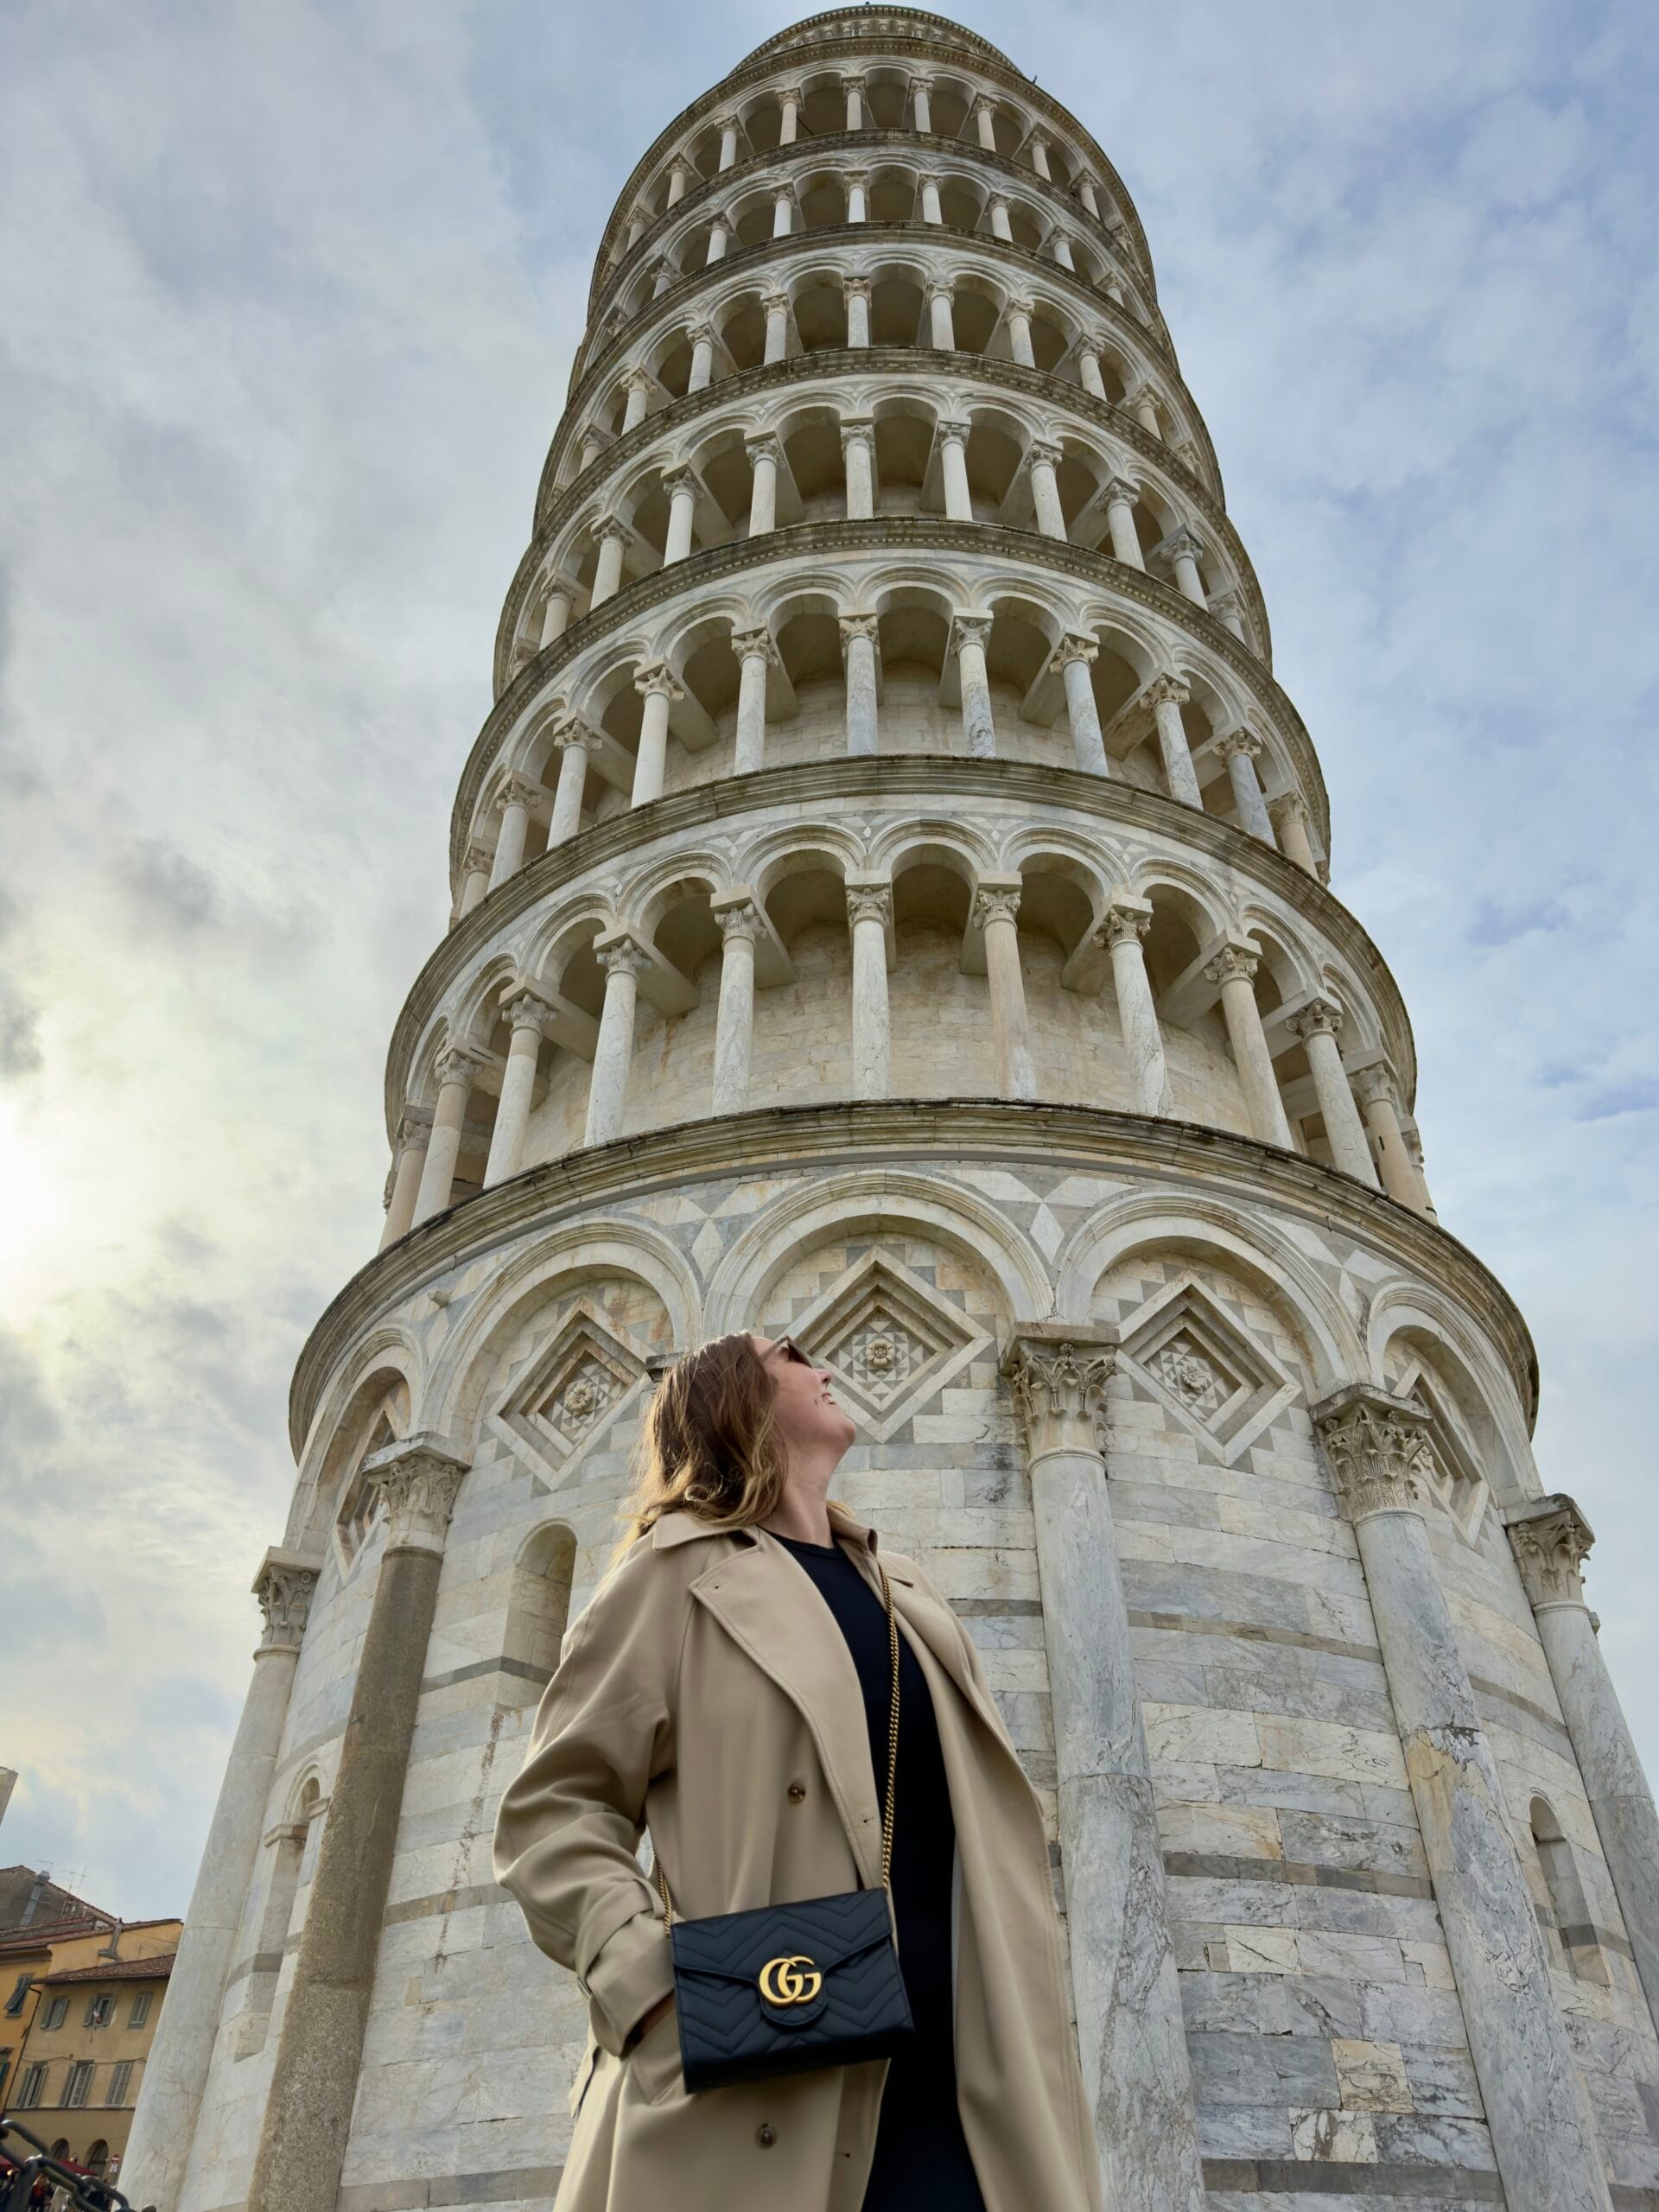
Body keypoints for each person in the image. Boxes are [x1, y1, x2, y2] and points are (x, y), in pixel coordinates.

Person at [492, 1332, 1103, 2212]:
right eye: (790, 1353)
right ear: (732, 1398)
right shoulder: (670, 1578)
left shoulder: (908, 1593)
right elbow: (555, 1808)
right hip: (761, 2067)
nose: (824, 1367)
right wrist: (648, 1985)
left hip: (966, 2084)